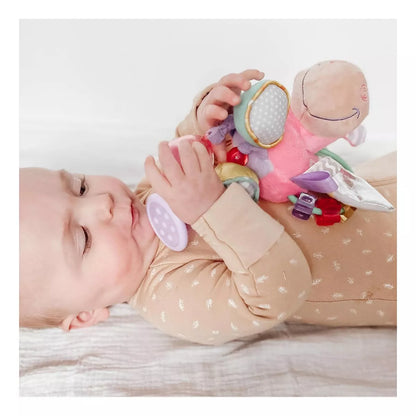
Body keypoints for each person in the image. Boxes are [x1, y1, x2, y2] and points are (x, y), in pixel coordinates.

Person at [20, 69, 396, 345]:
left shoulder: (150, 193)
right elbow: (281, 291)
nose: (101, 203)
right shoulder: (173, 298)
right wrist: (212, 209)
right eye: (83, 238)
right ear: (84, 315)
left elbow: (193, 146)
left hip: (379, 180)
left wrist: (208, 118)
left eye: (80, 186)